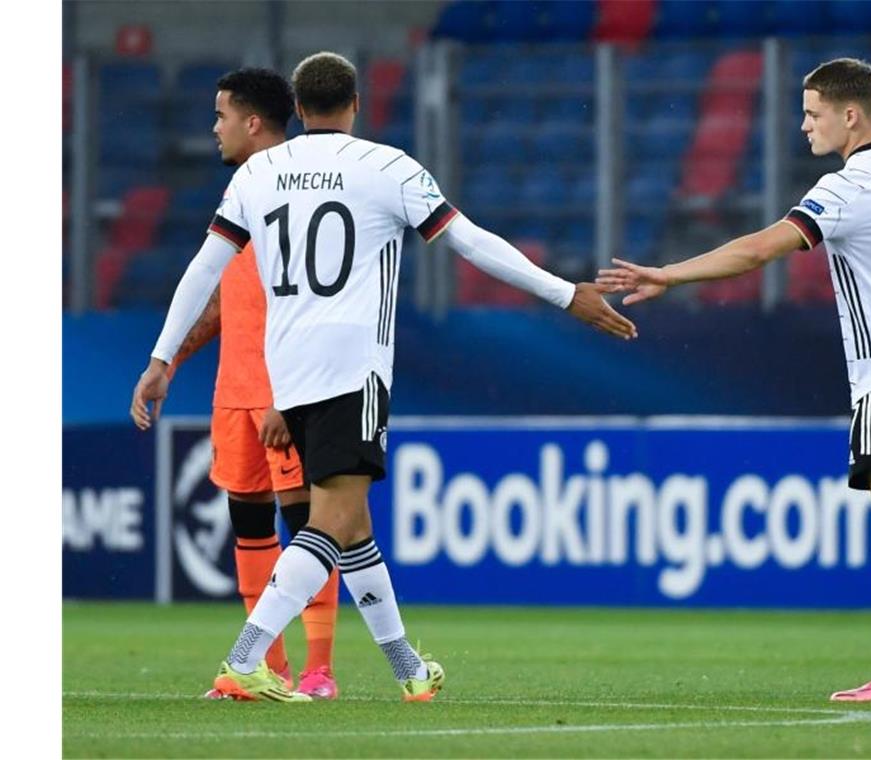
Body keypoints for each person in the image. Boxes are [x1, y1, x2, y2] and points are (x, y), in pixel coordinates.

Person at [132, 51, 637, 703]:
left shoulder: (259, 175)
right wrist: (566, 294)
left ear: (298, 105)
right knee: (332, 519)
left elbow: (204, 269)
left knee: (353, 523)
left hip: (288, 372)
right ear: (356, 103)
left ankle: (408, 669)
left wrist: (161, 358)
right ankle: (246, 657)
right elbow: (471, 242)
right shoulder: (387, 168)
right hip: (354, 369)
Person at [597, 58, 871, 702]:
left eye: (813, 112)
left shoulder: (849, 188)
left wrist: (669, 274)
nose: (803, 124)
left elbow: (761, 248)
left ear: (850, 115)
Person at [131, 68, 341, 700]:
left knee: (310, 527)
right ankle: (264, 670)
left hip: (291, 389)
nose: (214, 128)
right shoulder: (240, 193)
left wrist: (290, 390)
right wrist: (169, 362)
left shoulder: (301, 189)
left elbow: (317, 296)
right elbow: (226, 299)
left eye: (221, 116)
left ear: (253, 122)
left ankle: (319, 670)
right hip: (234, 391)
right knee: (251, 529)